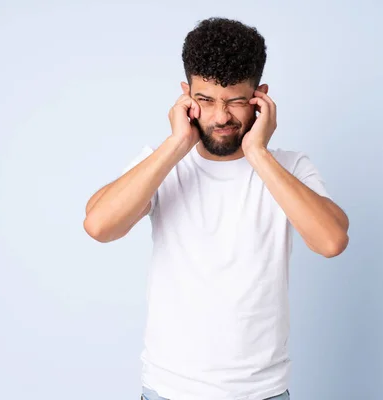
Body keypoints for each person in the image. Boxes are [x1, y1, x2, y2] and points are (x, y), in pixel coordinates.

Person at [83, 17, 349, 400]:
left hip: (262, 393)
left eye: (236, 101)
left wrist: (257, 152)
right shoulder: (162, 164)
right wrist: (177, 145)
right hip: (168, 390)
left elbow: (331, 240)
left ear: (260, 96)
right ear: (186, 95)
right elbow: (99, 225)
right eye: (206, 100)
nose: (221, 116)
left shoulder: (289, 168)